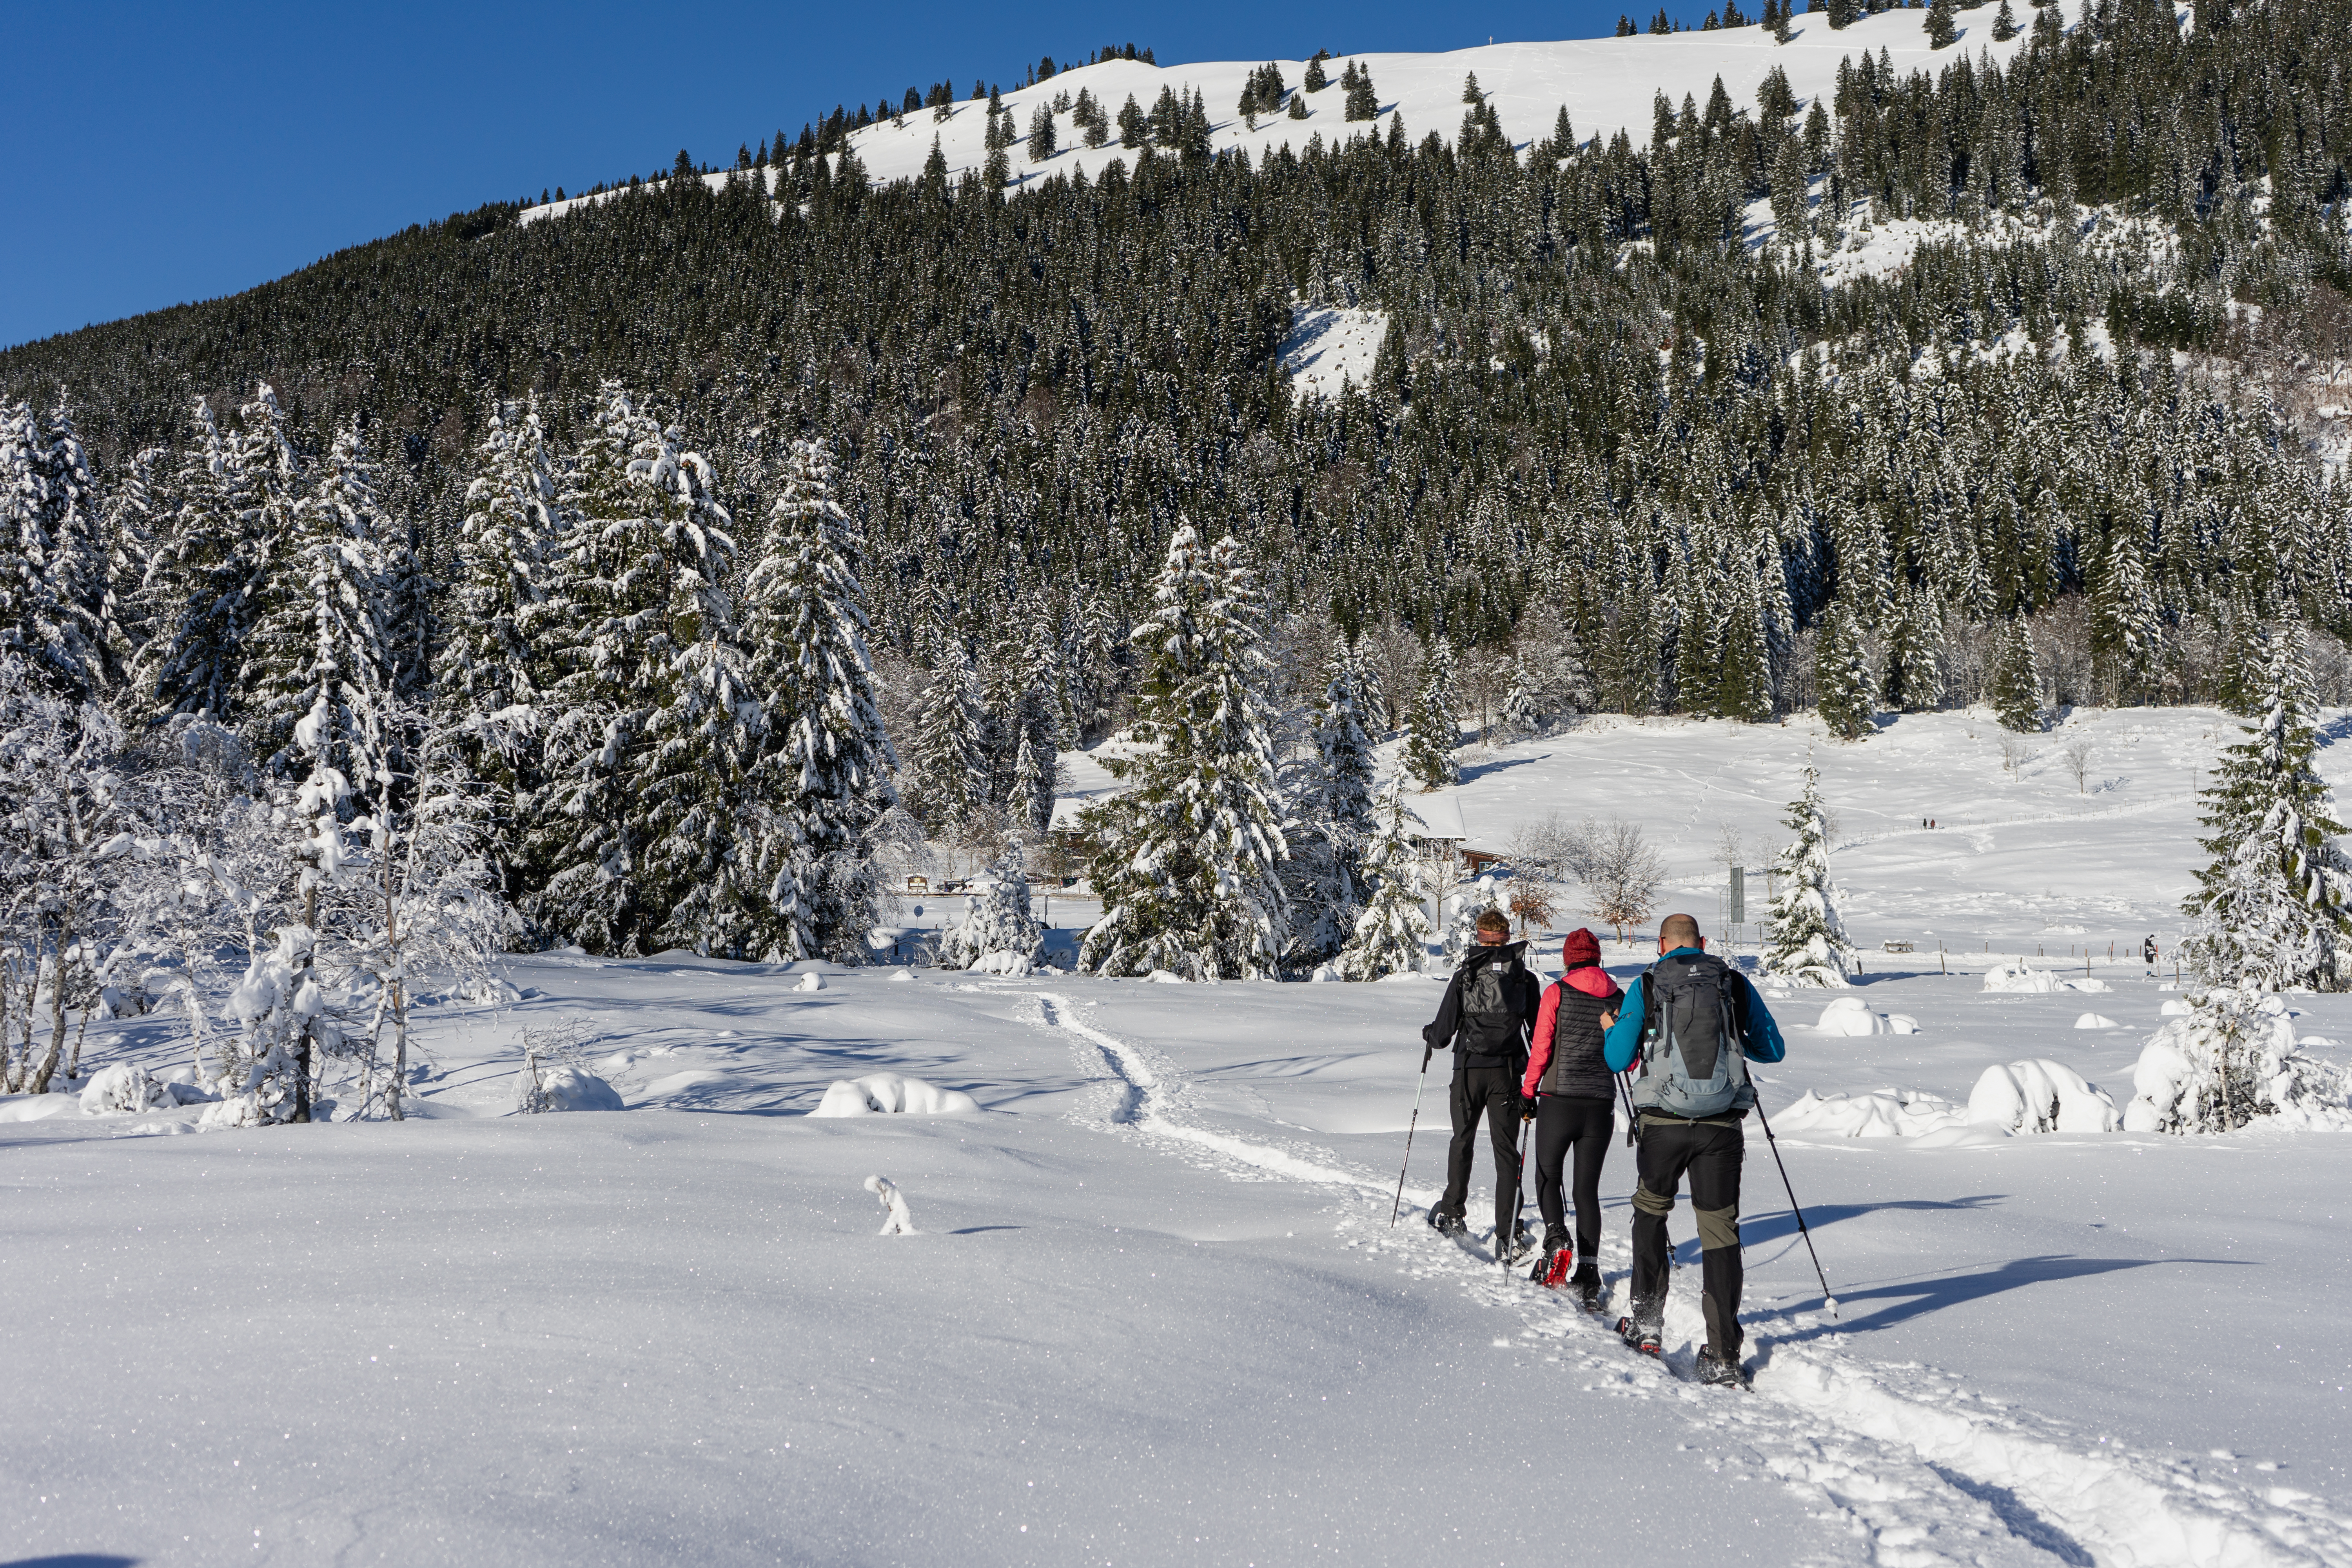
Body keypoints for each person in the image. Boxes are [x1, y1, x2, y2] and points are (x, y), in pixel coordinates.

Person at [1601, 913, 1786, 1388]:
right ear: (1701, 943)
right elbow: (1772, 1050)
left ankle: (1645, 1324)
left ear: (1662, 944)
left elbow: (1618, 1058)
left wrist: (1616, 1028)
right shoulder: (1732, 983)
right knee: (1720, 1231)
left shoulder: (1648, 984)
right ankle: (1723, 1352)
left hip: (1663, 1123)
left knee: (1651, 1212)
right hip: (1721, 1127)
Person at [1421, 908, 1541, 1256]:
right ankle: (1508, 1232)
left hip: (1469, 1070)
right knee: (1506, 1151)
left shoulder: (1465, 976)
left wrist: (1428, 1034)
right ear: (1507, 938)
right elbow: (1539, 1033)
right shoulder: (1525, 979)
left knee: (1463, 1140)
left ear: (1480, 937)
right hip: (1507, 1073)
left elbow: (1442, 1036)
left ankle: (1454, 1213)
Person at [1519, 927, 1622, 1310]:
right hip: (1600, 1106)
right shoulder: (1618, 997)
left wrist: (1528, 1092)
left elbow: (1542, 1048)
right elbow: (1627, 1059)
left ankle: (1557, 1237)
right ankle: (1590, 1272)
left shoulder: (1557, 993)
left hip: (1559, 1100)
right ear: (1597, 958)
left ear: (1568, 958)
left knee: (1547, 1175)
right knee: (1586, 1190)